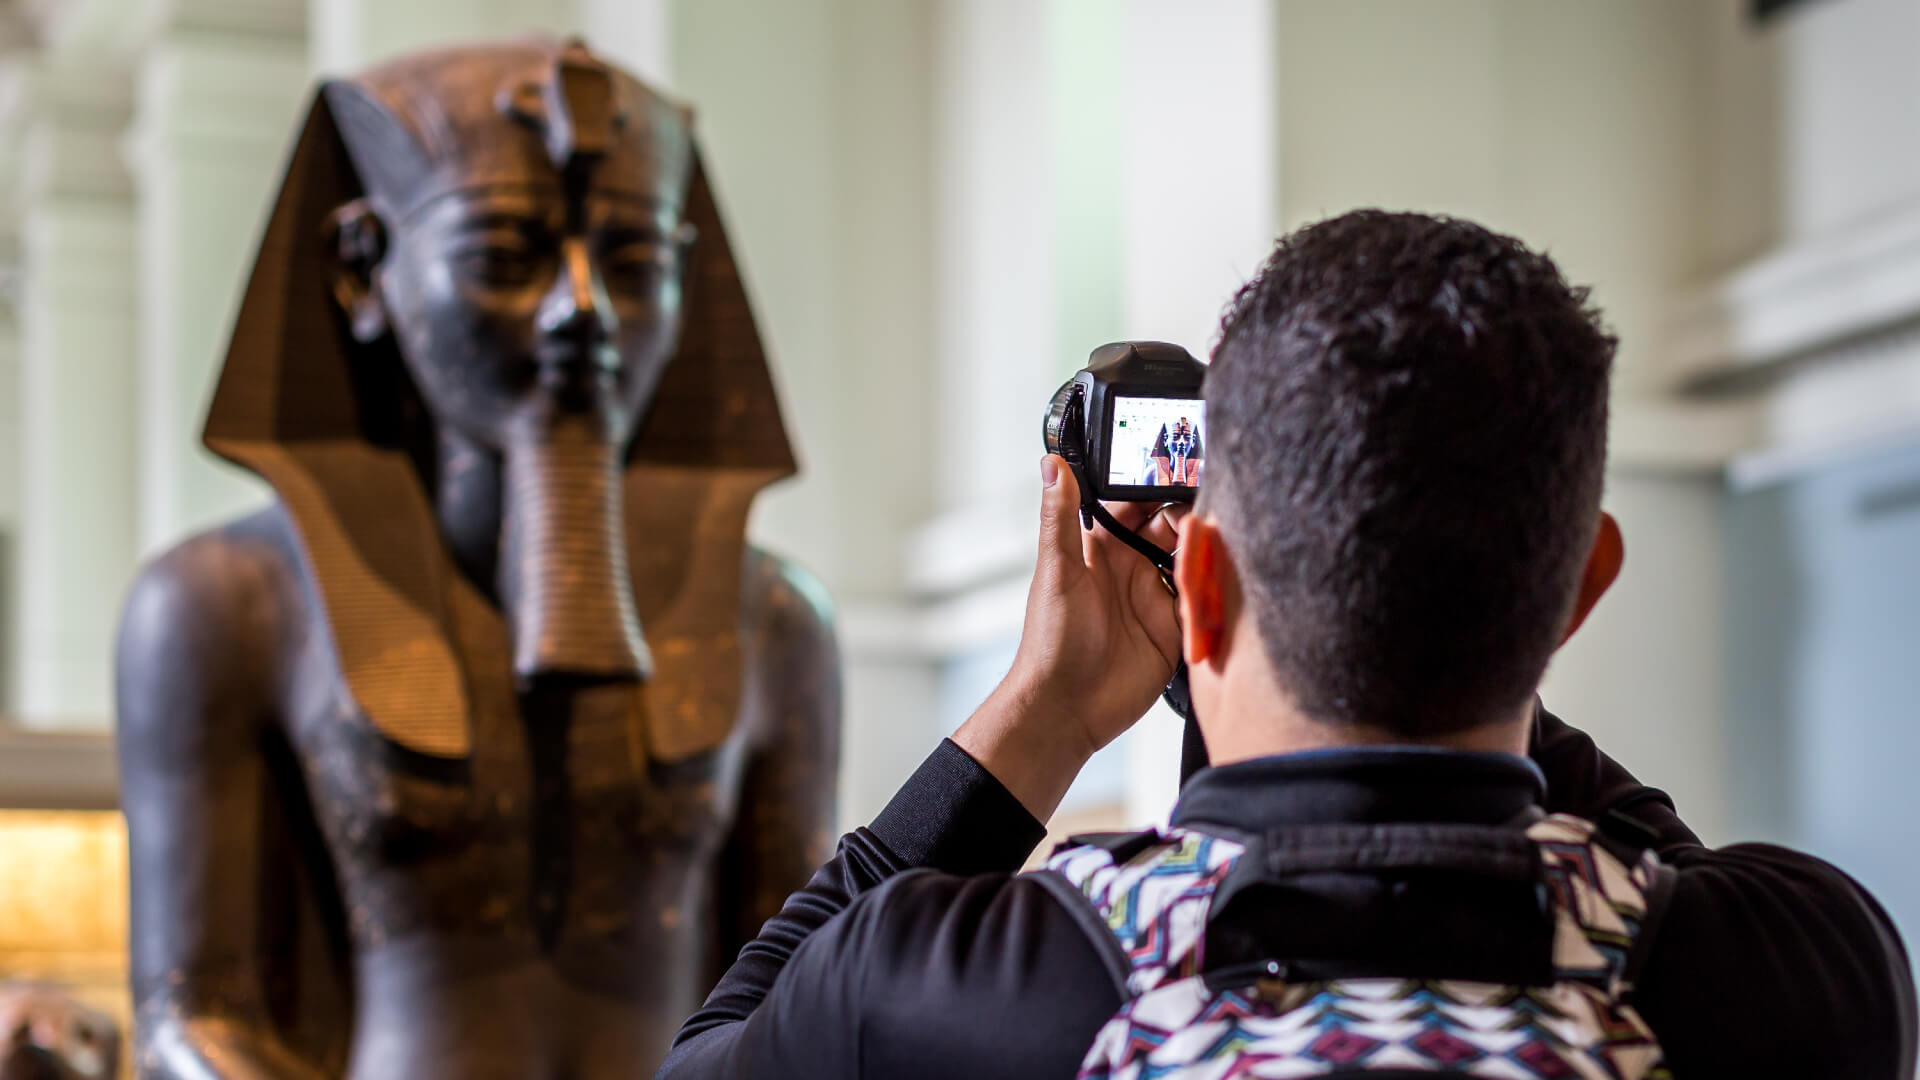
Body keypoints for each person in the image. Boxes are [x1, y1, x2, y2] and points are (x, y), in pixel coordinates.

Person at [655, 211, 1917, 1079]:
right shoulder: (1803, 976)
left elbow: (713, 1056)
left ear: (1199, 578)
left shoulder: (958, 989)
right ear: (1577, 587)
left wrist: (1043, 714)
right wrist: (1466, 604)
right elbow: (1664, 871)